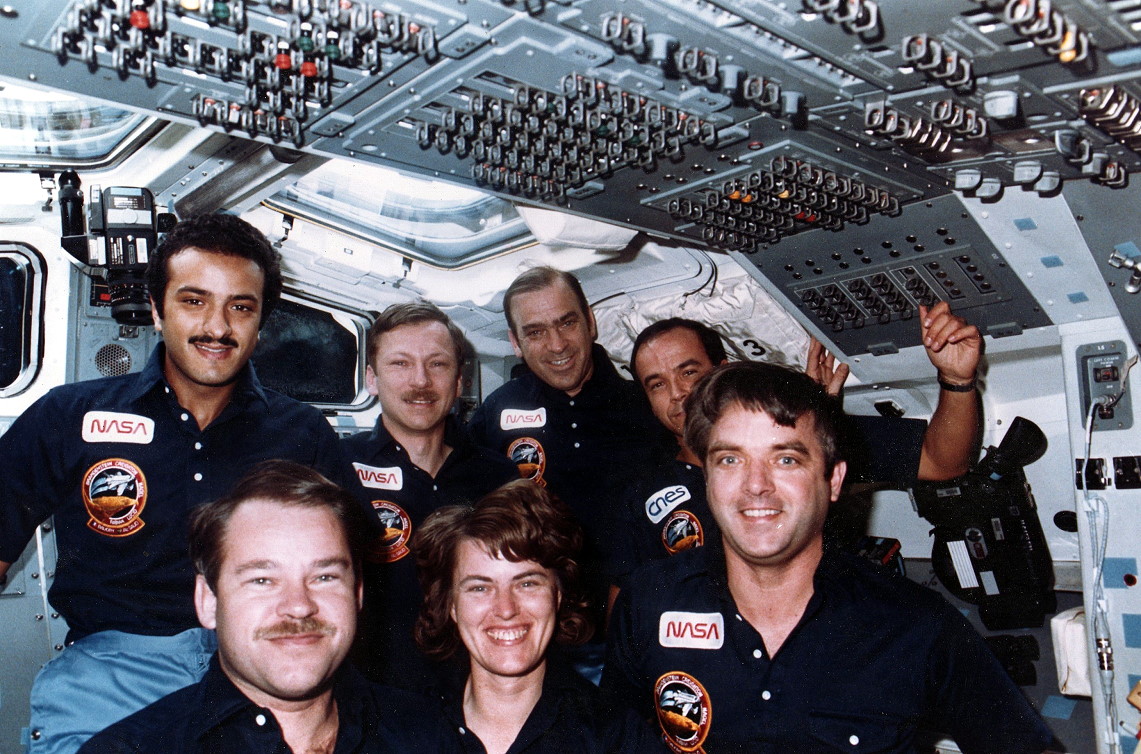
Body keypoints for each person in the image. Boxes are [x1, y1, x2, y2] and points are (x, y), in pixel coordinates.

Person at [0, 213, 349, 753]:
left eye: (241, 307)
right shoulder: (70, 416)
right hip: (112, 676)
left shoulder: (303, 433)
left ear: (261, 323)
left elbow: (349, 580)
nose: (217, 326)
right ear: (158, 311)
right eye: (194, 300)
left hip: (263, 670)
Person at [602, 362, 1058, 753]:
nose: (755, 485)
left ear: (834, 480)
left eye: (786, 460)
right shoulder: (648, 605)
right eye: (730, 460)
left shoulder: (913, 625)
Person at [79, 461, 458, 753]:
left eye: (324, 577)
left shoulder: (427, 735)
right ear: (208, 601)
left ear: (357, 593)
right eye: (262, 580)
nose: (299, 607)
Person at [605, 303, 982, 594]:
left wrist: (955, 379)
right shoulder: (641, 494)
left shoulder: (803, 440)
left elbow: (942, 461)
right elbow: (627, 607)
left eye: (689, 373)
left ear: (723, 370)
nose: (678, 395)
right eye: (657, 384)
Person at [465, 267, 668, 616]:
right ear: (516, 343)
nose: (557, 344)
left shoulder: (646, 406)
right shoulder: (496, 412)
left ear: (590, 322)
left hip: (636, 616)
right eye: (536, 332)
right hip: (534, 618)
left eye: (567, 323)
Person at [413, 479, 666, 754]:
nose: (506, 609)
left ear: (558, 595)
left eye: (526, 583)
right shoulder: (406, 726)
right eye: (480, 587)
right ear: (451, 605)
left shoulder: (614, 736)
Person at [341, 300, 516, 689]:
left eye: (437, 364)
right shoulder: (340, 470)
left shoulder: (499, 478)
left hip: (477, 692)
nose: (420, 381)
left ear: (459, 382)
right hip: (372, 696)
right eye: (400, 364)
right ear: (371, 379)